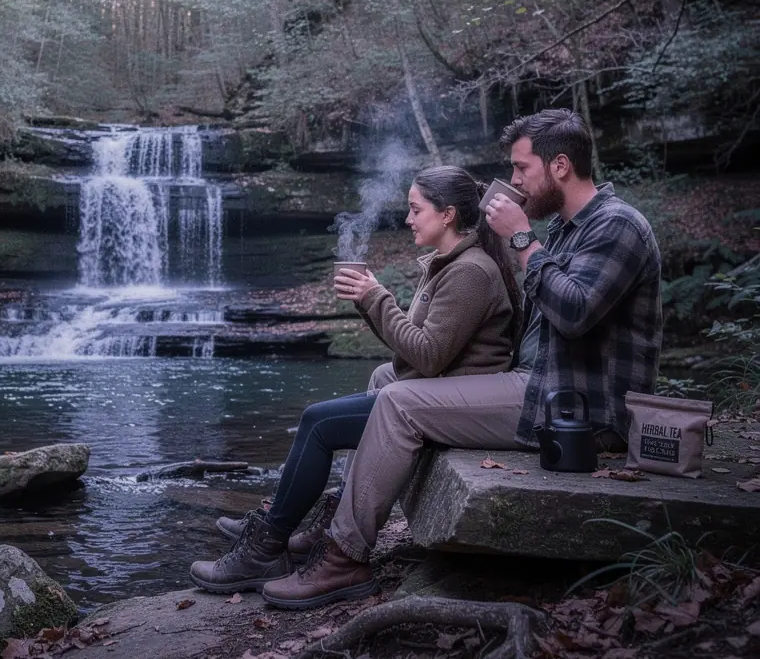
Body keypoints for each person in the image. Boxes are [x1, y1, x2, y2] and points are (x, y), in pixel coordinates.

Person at [258, 107, 662, 609]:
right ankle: (335, 519)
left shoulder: (618, 225)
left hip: (576, 408)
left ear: (560, 166)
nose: (514, 181)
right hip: (536, 383)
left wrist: (519, 237)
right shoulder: (563, 229)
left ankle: (344, 557)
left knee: (399, 402)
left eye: (522, 169)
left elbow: (575, 313)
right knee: (387, 375)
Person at [190, 164, 523, 597]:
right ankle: (307, 524)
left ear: (447, 215)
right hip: (441, 385)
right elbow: (416, 353)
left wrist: (375, 297)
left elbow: (427, 354)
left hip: (454, 399)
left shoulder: (470, 273)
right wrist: (371, 302)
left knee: (319, 423)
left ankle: (269, 544)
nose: (407, 219)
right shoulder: (447, 264)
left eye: (414, 209)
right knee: (376, 378)